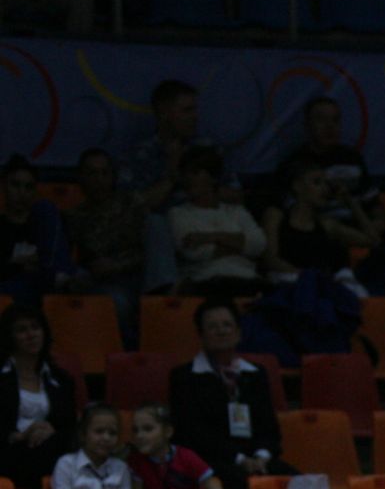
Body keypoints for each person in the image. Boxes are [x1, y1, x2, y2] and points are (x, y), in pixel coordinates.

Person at [168, 299, 294, 489]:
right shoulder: (184, 377)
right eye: (213, 326)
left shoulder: (255, 374)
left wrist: (261, 457)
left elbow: (269, 429)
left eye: (227, 325)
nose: (222, 331)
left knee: (303, 485)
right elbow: (192, 434)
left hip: (257, 459)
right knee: (239, 483)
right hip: (211, 461)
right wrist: (240, 459)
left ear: (238, 332)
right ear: (201, 335)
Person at [124, 80, 240, 291]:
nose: (194, 117)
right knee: (155, 223)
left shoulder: (209, 149)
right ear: (163, 113)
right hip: (162, 241)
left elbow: (236, 195)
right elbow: (135, 208)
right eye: (187, 111)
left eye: (195, 109)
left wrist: (199, 185)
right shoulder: (141, 154)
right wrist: (172, 176)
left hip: (205, 230)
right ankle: (166, 294)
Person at [65, 148, 147, 342]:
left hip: (137, 277)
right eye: (92, 173)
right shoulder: (74, 216)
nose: (99, 179)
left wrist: (117, 265)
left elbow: (149, 252)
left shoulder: (132, 205)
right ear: (81, 177)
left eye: (105, 173)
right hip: (98, 282)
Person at [127, 403, 241, 489]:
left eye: (148, 429)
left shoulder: (186, 457)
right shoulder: (136, 463)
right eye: (135, 430)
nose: (140, 435)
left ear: (168, 432)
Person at [0, 301, 79, 489]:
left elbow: (69, 425)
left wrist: (50, 428)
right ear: (10, 337)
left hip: (49, 449)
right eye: (22, 330)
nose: (31, 335)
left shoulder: (61, 379)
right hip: (9, 451)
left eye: (35, 328)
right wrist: (19, 435)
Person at [263, 156, 379, 279]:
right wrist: (304, 277)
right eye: (317, 182)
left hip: (317, 286)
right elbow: (270, 259)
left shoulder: (326, 225)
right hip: (287, 282)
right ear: (297, 186)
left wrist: (350, 202)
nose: (324, 189)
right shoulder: (275, 216)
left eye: (326, 183)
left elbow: (373, 240)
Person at [170, 148, 267, 295]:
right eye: (185, 174)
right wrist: (241, 245)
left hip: (247, 279)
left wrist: (209, 237)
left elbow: (258, 244)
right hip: (206, 281)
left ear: (213, 177)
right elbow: (196, 253)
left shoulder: (236, 211)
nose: (188, 179)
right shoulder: (178, 214)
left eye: (195, 173)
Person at [273, 96, 381, 228]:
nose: (330, 126)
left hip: (359, 229)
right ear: (307, 125)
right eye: (321, 120)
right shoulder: (294, 164)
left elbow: (373, 204)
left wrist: (377, 223)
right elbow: (291, 213)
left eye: (335, 120)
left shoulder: (352, 159)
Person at [0, 154, 75, 300]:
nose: (22, 193)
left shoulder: (46, 222)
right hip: (11, 290)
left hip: (46, 284)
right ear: (4, 186)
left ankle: (57, 276)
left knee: (45, 207)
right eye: (15, 185)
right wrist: (17, 266)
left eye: (28, 187)